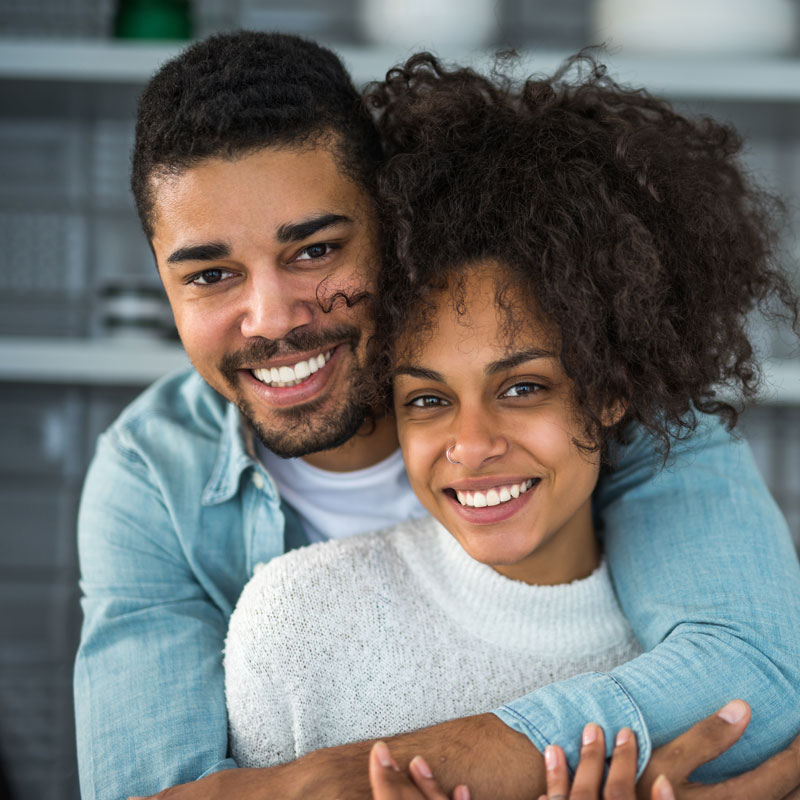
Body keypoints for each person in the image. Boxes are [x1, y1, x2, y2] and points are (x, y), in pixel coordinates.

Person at [72, 31, 800, 800]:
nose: (269, 319)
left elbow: (754, 675)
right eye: (211, 275)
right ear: (162, 281)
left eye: (314, 251)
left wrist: (367, 775)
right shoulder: (151, 475)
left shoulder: (604, 375)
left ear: (388, 225)